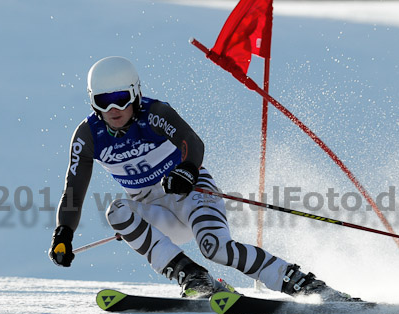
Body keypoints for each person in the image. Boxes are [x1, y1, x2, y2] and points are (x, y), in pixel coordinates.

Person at [49, 56, 360, 301]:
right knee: (116, 211)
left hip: (190, 193)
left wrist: (187, 169)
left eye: (120, 98)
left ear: (135, 93)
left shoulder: (154, 113)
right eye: (104, 101)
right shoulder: (88, 136)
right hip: (154, 210)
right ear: (93, 101)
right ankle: (195, 278)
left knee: (215, 247)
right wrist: (63, 233)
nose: (113, 109)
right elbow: (74, 188)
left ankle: (301, 282)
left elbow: (192, 142)